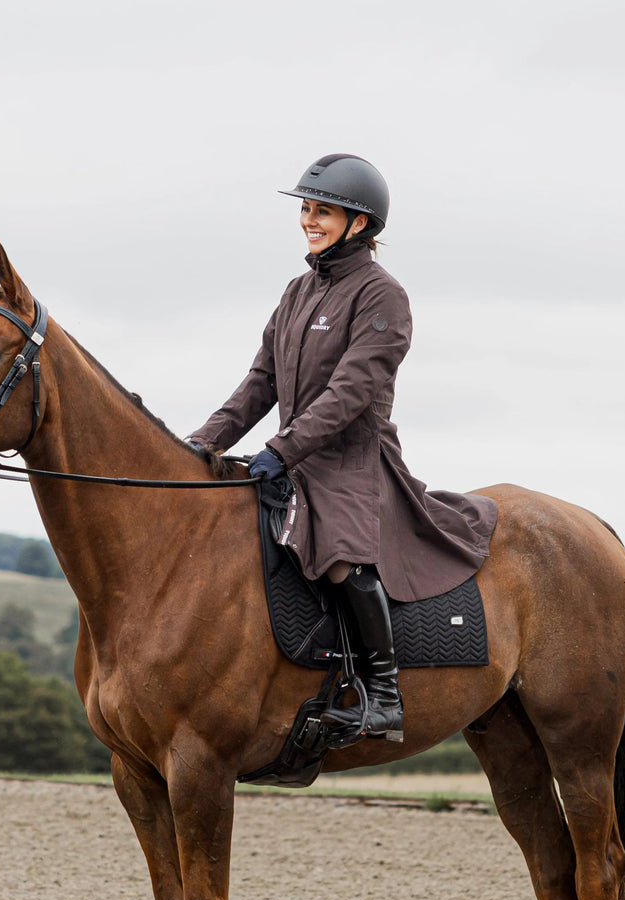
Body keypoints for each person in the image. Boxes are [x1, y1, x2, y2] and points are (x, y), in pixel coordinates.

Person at [187, 154, 498, 742]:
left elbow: (351, 392)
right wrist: (204, 440)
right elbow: (262, 382)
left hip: (354, 461)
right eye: (305, 209)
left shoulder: (383, 296)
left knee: (342, 556)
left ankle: (383, 694)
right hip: (295, 454)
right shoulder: (297, 290)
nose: (309, 220)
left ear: (359, 223)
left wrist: (283, 448)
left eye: (322, 211)